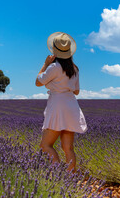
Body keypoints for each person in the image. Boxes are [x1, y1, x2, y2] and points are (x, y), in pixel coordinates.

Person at [35, 32, 87, 173]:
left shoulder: (54, 67)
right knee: (68, 148)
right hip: (71, 106)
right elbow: (76, 91)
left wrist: (45, 64)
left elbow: (38, 82)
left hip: (57, 106)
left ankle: (58, 175)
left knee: (45, 145)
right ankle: (71, 178)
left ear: (55, 51)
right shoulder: (75, 69)